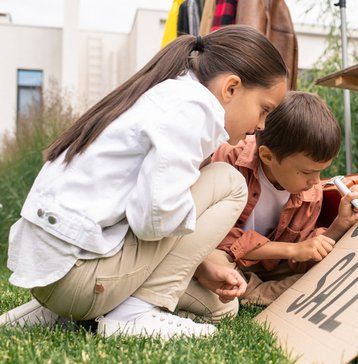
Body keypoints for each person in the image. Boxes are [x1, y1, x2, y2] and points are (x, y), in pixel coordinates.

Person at [0, 25, 288, 339]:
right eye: (264, 110)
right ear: (231, 88)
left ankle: (60, 313)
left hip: (52, 273)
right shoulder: (195, 109)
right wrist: (190, 240)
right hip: (78, 279)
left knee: (222, 308)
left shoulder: (168, 92)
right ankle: (136, 313)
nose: (259, 126)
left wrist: (198, 260)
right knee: (229, 182)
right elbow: (154, 219)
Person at [200, 91, 358, 310]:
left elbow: (302, 256)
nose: (315, 181)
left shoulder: (311, 191)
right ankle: (259, 292)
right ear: (267, 156)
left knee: (321, 267)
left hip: (269, 268)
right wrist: (291, 250)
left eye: (321, 172)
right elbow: (216, 238)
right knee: (210, 259)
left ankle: (254, 292)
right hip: (224, 258)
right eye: (307, 172)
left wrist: (339, 225)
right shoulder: (230, 159)